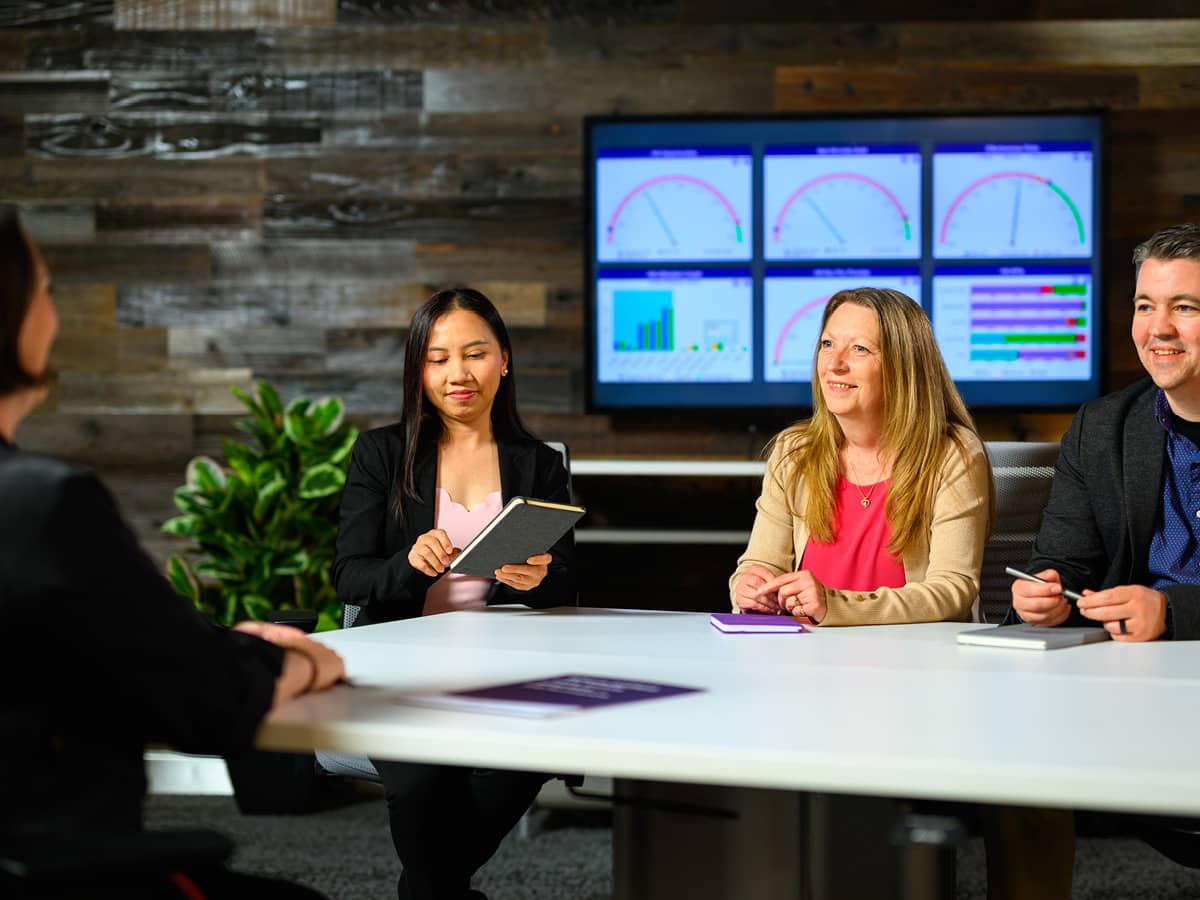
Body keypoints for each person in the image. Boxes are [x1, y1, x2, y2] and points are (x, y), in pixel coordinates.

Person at [0, 211, 346, 898]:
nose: (53, 313)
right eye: (44, 290)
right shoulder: (41, 507)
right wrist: (296, 655)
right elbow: (209, 704)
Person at [332, 287, 576, 900]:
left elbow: (568, 583)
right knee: (419, 786)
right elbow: (349, 576)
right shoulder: (382, 454)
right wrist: (409, 565)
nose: (457, 374)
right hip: (402, 666)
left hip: (506, 667)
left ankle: (429, 890)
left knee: (529, 758)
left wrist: (540, 578)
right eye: (437, 358)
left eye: (474, 354)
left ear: (504, 361)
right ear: (419, 370)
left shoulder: (539, 462)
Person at [989, 223, 1200, 900]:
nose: (1158, 328)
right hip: (1135, 684)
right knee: (1008, 729)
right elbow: (1061, 559)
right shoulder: (1104, 426)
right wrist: (1046, 593)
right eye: (1145, 306)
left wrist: (1172, 610)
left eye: (1186, 307)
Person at [729, 287, 993, 626]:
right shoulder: (793, 453)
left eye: (859, 349)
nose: (835, 364)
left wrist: (836, 605)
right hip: (803, 663)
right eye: (827, 344)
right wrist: (749, 587)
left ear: (903, 367)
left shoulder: (952, 454)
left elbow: (953, 590)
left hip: (911, 664)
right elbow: (758, 564)